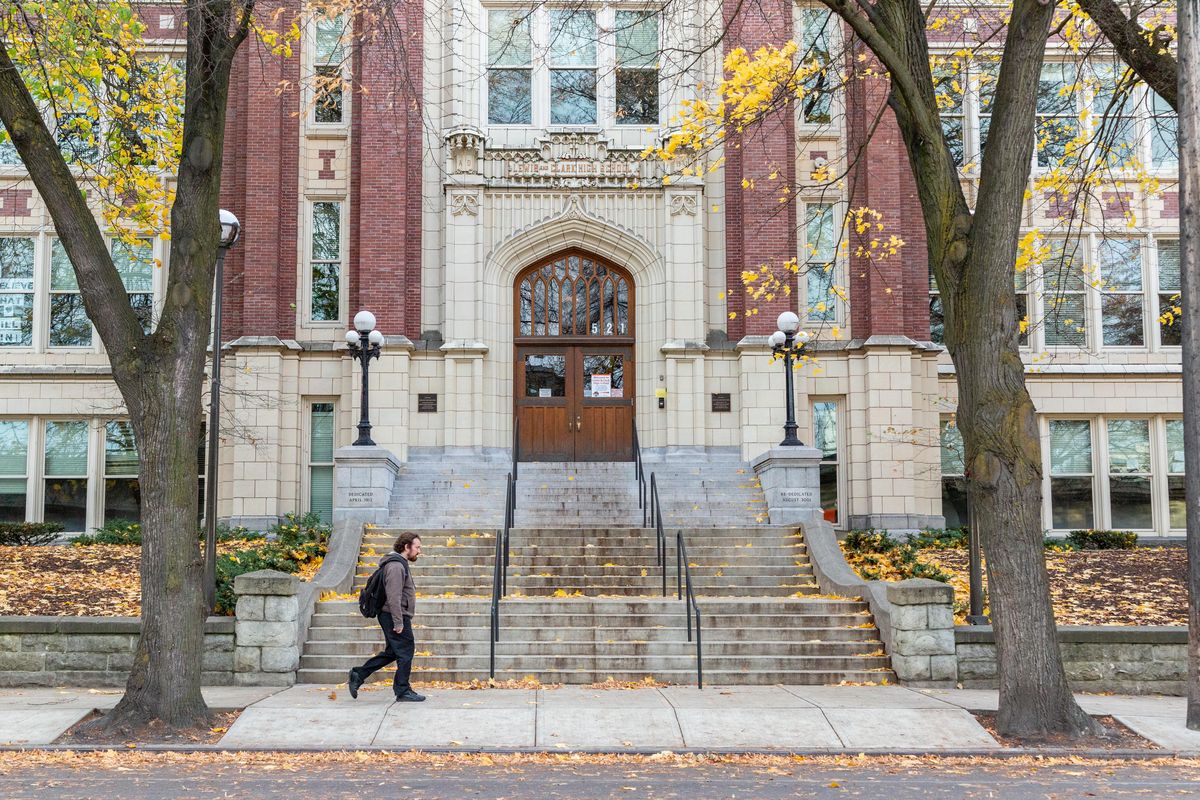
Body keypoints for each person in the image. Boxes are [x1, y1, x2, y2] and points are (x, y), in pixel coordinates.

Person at [348, 532, 425, 702]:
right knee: (405, 652)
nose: (419, 551)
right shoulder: (396, 566)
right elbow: (394, 596)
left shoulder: (398, 563)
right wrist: (398, 622)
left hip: (393, 615)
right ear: (406, 547)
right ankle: (403, 690)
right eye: (417, 547)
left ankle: (358, 674)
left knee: (392, 652)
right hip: (393, 615)